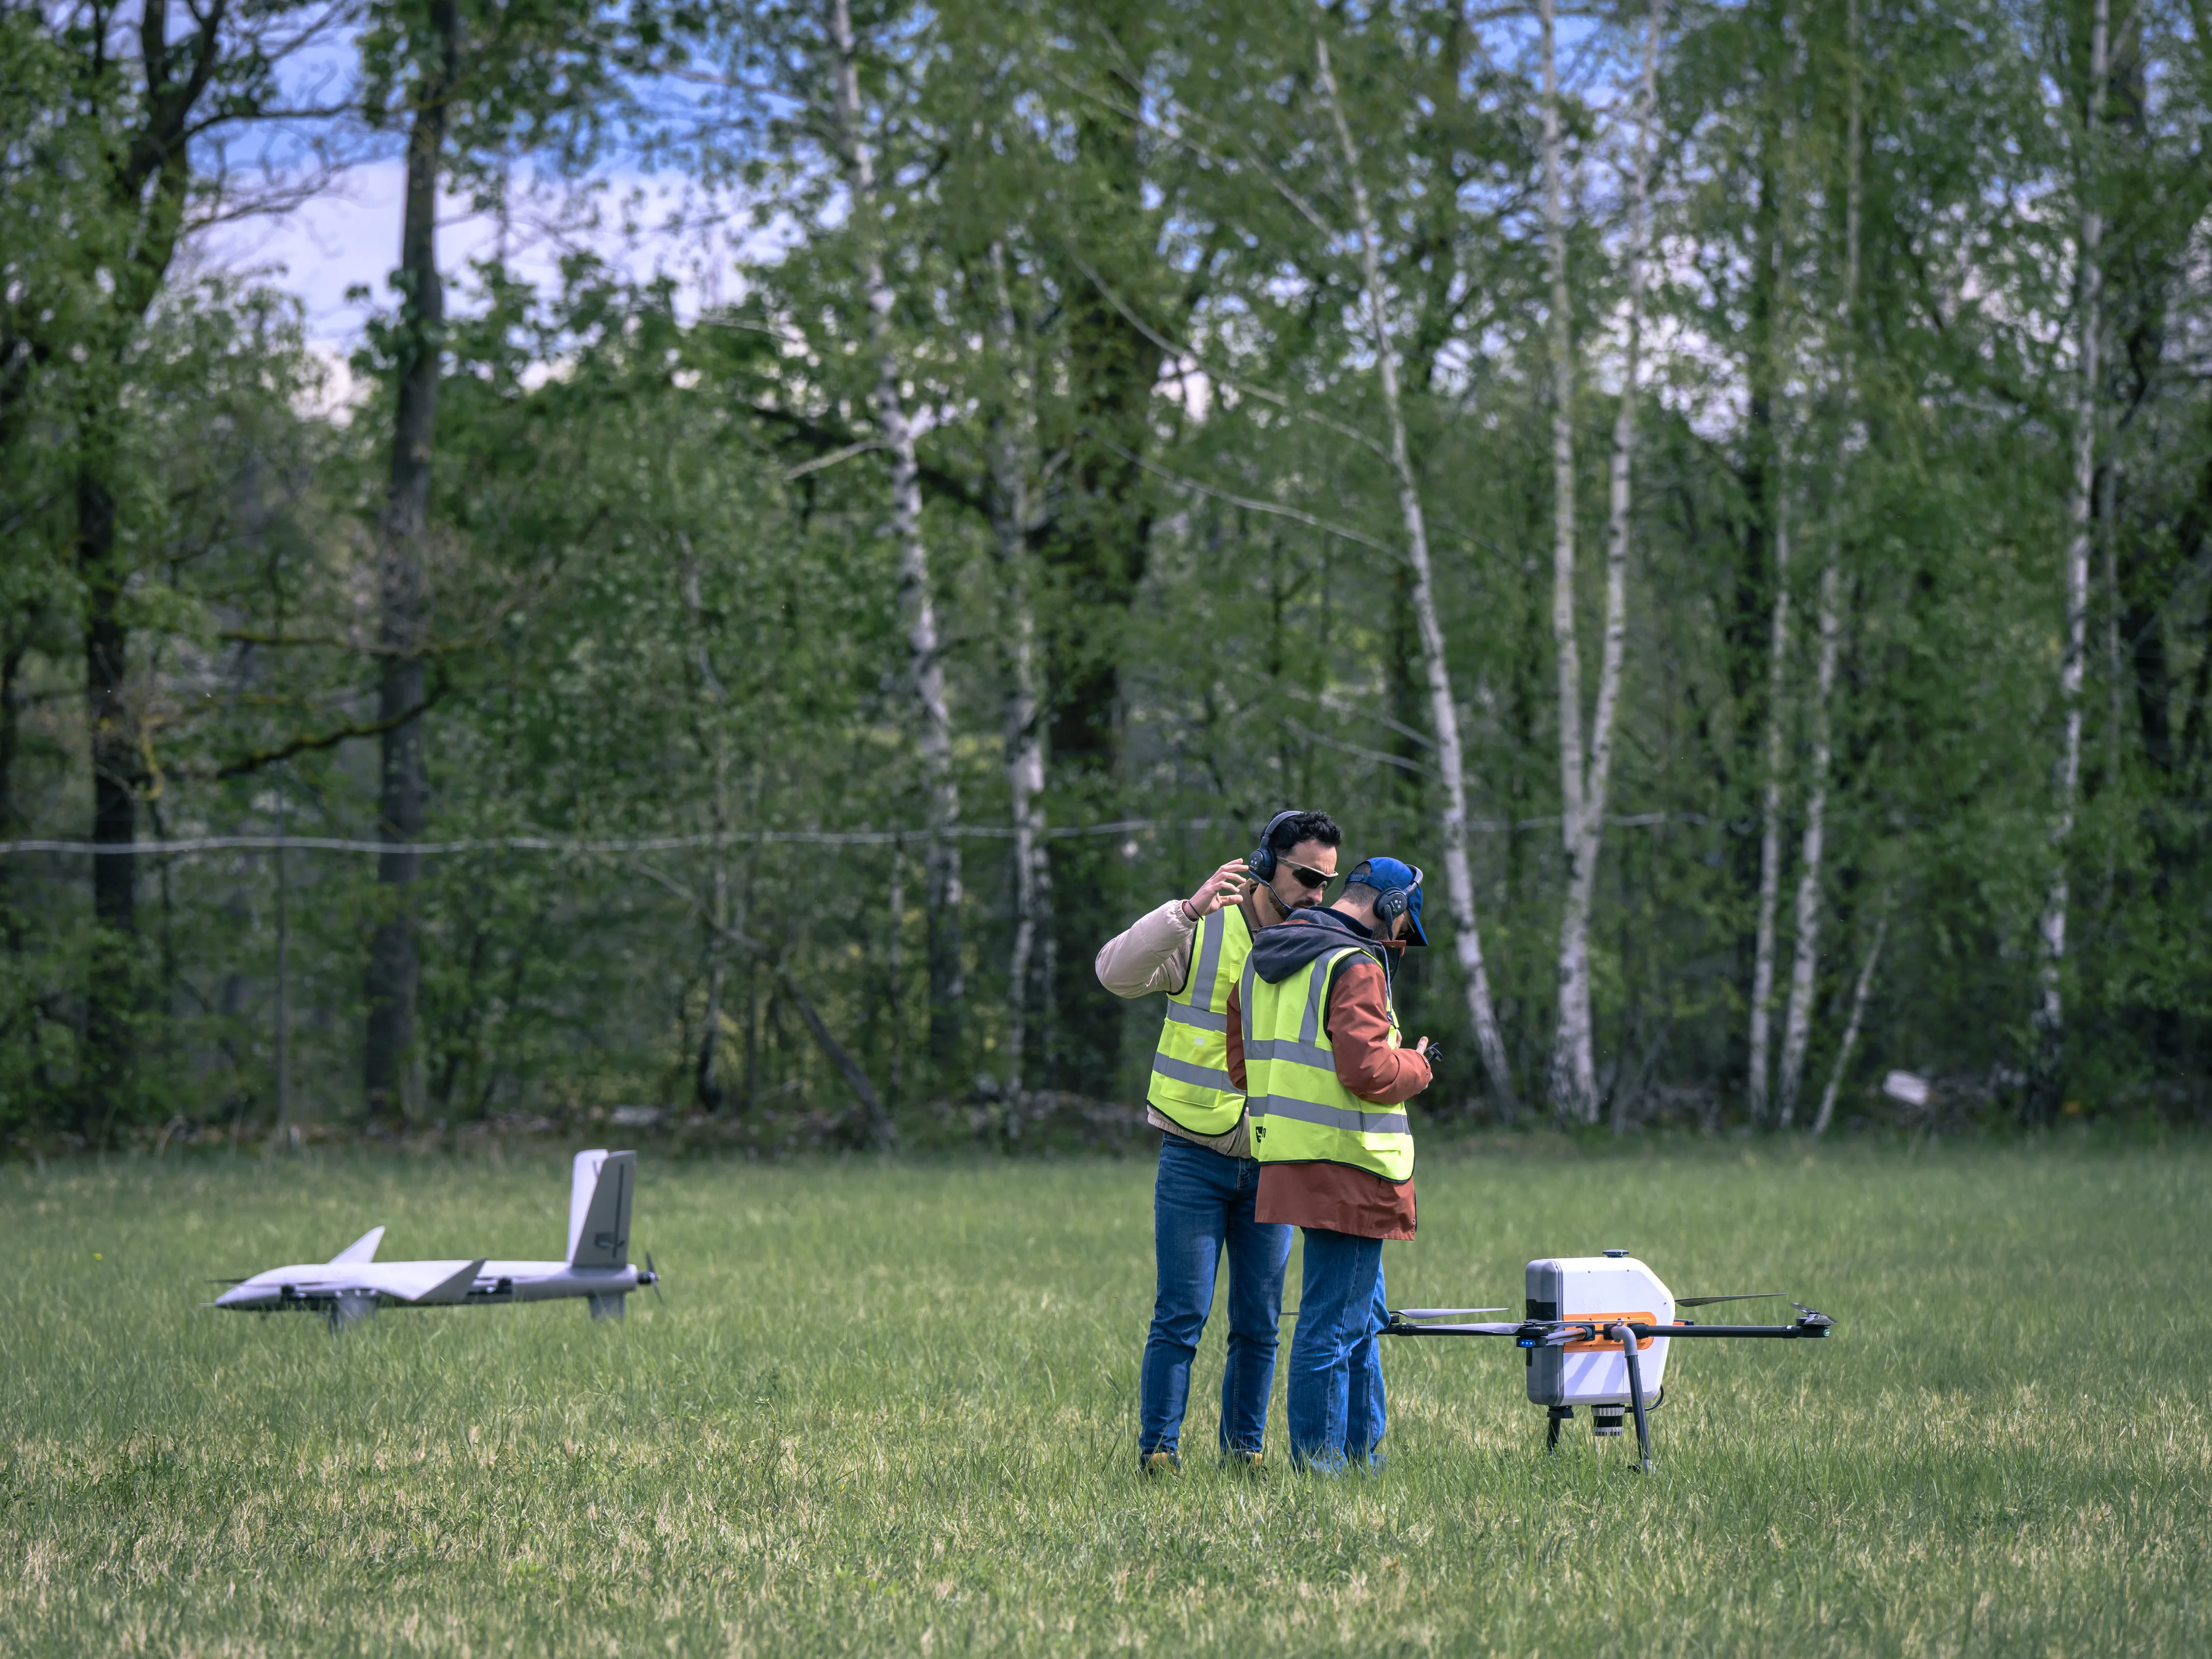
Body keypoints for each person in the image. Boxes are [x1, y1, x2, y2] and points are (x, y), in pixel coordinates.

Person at [1095, 809, 1345, 1473]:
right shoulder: (1202, 929)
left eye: (1327, 882)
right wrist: (1185, 909)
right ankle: (1159, 1453)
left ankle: (1245, 1454)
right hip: (1193, 1156)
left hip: (1272, 1162)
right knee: (1181, 1315)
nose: (1316, 894)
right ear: (1267, 863)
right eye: (1305, 877)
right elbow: (1114, 973)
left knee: (1260, 1324)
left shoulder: (1318, 945)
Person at [1226, 857, 1435, 1472]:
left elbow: (1243, 1065)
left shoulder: (1264, 960)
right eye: (1400, 934)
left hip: (1292, 1160)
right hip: (1351, 1166)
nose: (1396, 950)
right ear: (1391, 906)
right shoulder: (1354, 965)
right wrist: (1419, 1065)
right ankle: (1321, 1470)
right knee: (1333, 1327)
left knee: (1358, 1316)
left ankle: (1361, 1456)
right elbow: (1368, 1070)